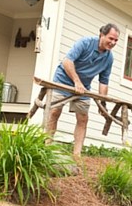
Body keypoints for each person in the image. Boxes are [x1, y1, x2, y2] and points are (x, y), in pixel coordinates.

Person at [46, 23, 119, 158]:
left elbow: (103, 81)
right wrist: (76, 81)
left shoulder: (109, 58)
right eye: (110, 38)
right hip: (63, 80)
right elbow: (67, 61)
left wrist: (102, 104)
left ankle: (77, 154)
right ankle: (47, 147)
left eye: (116, 40)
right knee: (54, 111)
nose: (113, 42)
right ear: (102, 35)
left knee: (83, 118)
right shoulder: (85, 43)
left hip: (83, 88)